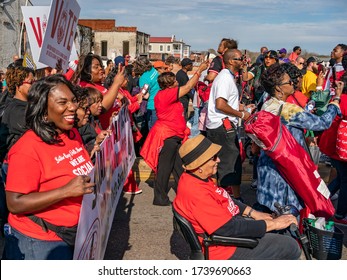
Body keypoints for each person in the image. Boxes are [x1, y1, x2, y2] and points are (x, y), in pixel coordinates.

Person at [3, 75, 95, 260]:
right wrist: (65, 191)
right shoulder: (27, 148)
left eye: (73, 100)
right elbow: (14, 203)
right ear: (44, 111)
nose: (73, 107)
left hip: (76, 233)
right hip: (40, 242)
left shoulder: (71, 133)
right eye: (63, 102)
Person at [173, 134, 301, 260]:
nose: (218, 160)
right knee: (291, 246)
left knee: (278, 231)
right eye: (213, 158)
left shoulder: (196, 178)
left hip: (230, 228)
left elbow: (224, 198)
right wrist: (273, 224)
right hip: (224, 249)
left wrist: (254, 213)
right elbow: (228, 228)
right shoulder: (197, 193)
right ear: (199, 166)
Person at [255, 63, 341, 213]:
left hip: (268, 164)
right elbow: (322, 123)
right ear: (278, 88)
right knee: (286, 213)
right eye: (289, 82)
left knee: (268, 209)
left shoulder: (267, 104)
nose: (293, 83)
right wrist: (335, 102)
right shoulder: (288, 110)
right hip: (286, 167)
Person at [140, 61, 209, 206]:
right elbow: (189, 86)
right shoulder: (166, 94)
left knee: (179, 167)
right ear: (170, 84)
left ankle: (183, 194)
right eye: (175, 80)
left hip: (175, 135)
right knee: (165, 168)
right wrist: (200, 71)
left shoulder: (166, 94)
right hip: (168, 137)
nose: (178, 81)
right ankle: (160, 198)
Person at [206, 49, 253, 201]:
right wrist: (241, 114)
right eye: (240, 59)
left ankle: (220, 196)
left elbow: (226, 102)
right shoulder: (225, 78)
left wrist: (243, 108)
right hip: (222, 126)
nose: (243, 62)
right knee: (230, 164)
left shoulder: (227, 77)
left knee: (222, 163)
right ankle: (232, 200)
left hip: (220, 125)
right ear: (232, 61)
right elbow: (220, 104)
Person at [71, 53, 125, 130]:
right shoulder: (85, 86)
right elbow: (102, 107)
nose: (100, 69)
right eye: (96, 67)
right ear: (86, 71)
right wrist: (116, 84)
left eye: (100, 66)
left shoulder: (98, 84)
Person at [133, 56, 161, 130]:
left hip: (151, 105)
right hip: (160, 101)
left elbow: (145, 95)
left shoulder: (143, 78)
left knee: (152, 129)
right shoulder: (153, 70)